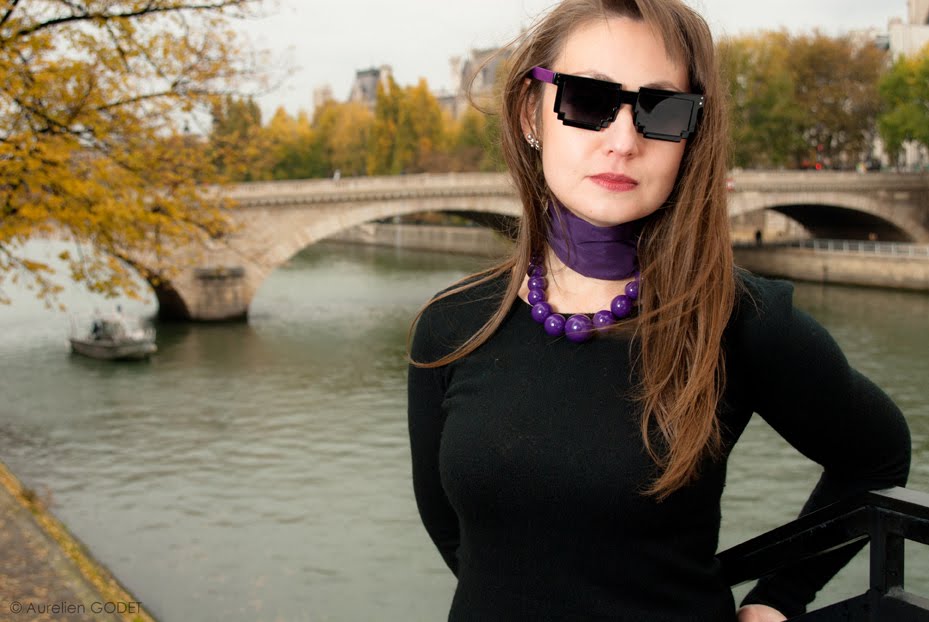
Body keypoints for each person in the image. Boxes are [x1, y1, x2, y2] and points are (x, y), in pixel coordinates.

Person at [406, 1, 911, 620]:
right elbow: (451, 532)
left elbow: (877, 457)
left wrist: (781, 597)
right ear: (529, 113)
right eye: (588, 100)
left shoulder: (740, 319)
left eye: (663, 110)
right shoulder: (452, 323)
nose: (624, 142)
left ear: (691, 136)